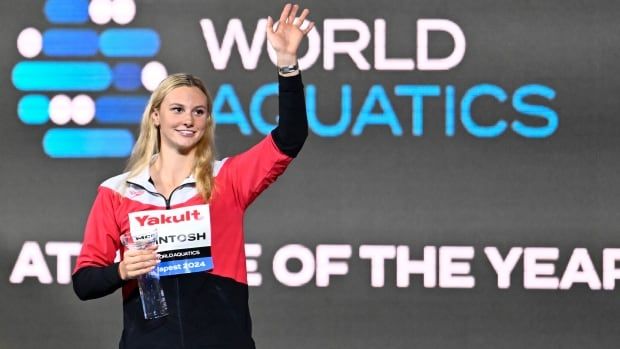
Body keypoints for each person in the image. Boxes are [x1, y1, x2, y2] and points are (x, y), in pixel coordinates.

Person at [72, 4, 314, 348]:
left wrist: (287, 63)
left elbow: (290, 136)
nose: (189, 120)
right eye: (177, 109)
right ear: (155, 116)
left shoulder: (227, 179)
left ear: (207, 121)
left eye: (199, 111)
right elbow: (85, 281)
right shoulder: (117, 192)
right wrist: (122, 271)